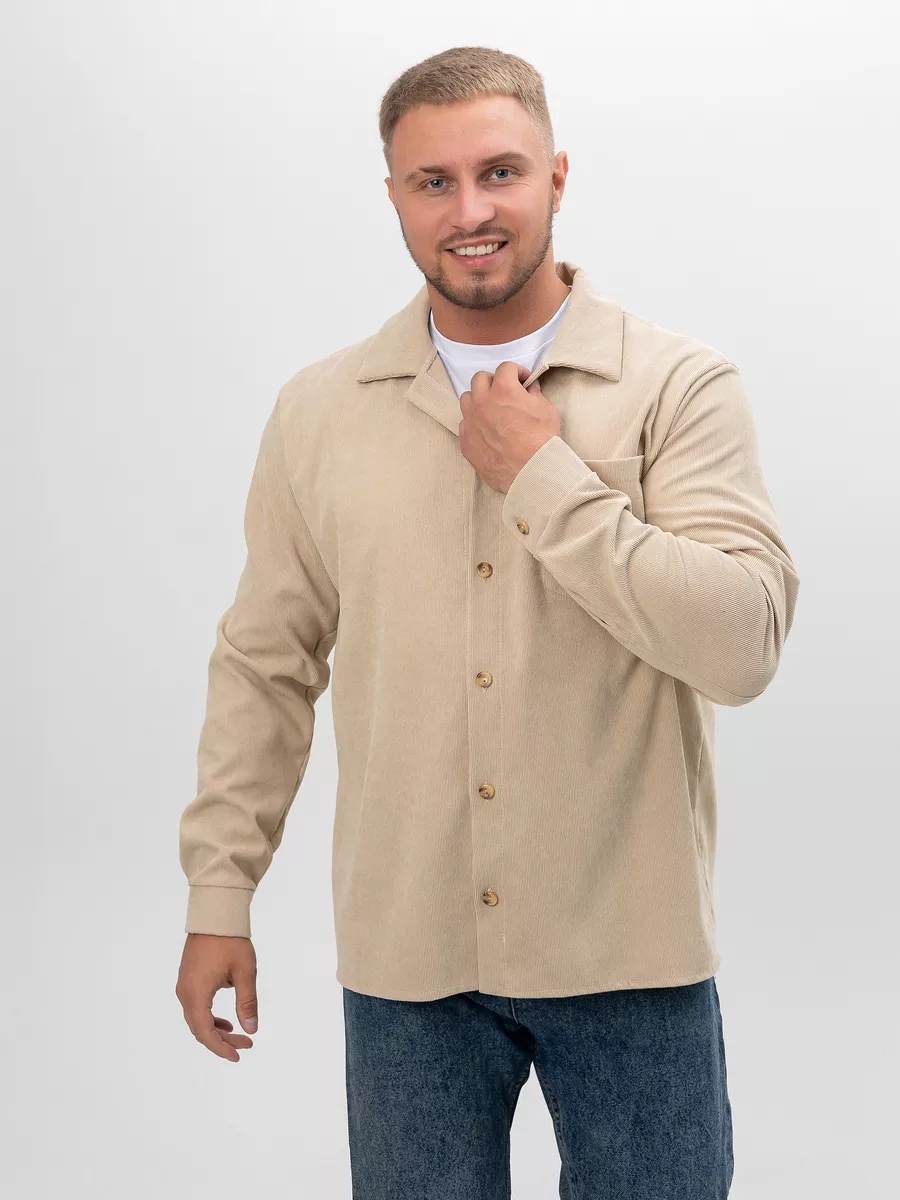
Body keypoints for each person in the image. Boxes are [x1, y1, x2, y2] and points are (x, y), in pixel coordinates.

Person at [175, 45, 800, 1199]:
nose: (470, 211)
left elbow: (743, 644)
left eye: (500, 172)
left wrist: (545, 479)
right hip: (406, 962)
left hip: (631, 954)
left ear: (556, 175)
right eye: (435, 182)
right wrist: (221, 892)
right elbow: (265, 665)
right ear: (395, 197)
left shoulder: (677, 386)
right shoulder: (319, 412)